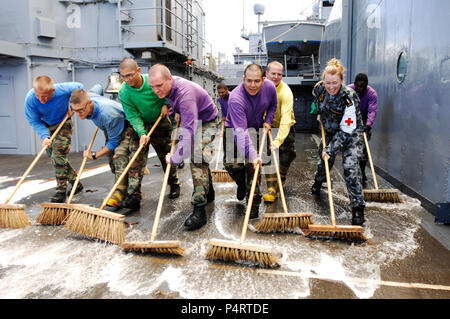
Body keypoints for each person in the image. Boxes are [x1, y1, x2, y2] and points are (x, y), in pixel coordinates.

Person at [148, 64, 219, 231]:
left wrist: (174, 159)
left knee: (196, 155)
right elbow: (175, 103)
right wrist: (174, 110)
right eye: (153, 87)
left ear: (170, 79)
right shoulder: (168, 89)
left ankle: (199, 210)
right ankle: (209, 192)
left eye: (159, 86)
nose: (156, 91)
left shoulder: (185, 95)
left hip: (208, 121)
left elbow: (188, 134)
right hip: (192, 116)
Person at [118, 58, 180, 212]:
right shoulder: (124, 91)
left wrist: (167, 106)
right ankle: (134, 196)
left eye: (130, 75)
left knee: (166, 155)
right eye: (123, 76)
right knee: (136, 157)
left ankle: (174, 184)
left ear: (138, 71)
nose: (127, 80)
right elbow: (132, 115)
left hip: (161, 121)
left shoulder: (152, 82)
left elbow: (169, 93)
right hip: (143, 123)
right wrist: (142, 133)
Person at [311, 58, 366, 226]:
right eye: (328, 83)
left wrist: (331, 148)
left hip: (350, 134)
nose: (331, 86)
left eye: (335, 83)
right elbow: (318, 102)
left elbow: (347, 129)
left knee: (351, 168)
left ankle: (357, 208)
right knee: (324, 163)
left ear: (341, 81)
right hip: (329, 129)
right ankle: (318, 182)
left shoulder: (349, 97)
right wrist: (320, 113)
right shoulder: (318, 89)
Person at [69, 88, 141, 212]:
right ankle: (124, 184)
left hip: (127, 125)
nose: (79, 114)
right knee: (112, 163)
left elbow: (113, 142)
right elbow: (98, 87)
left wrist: (94, 154)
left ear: (90, 103)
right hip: (110, 128)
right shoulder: (89, 96)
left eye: (81, 110)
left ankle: (119, 194)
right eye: (75, 111)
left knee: (119, 156)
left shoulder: (108, 115)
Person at [224, 64, 278, 219]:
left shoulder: (269, 88)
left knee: (253, 168)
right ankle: (242, 184)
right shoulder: (236, 99)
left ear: (263, 79)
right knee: (231, 165)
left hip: (256, 128)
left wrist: (268, 119)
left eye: (256, 81)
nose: (252, 85)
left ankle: (253, 203)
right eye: (249, 81)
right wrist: (254, 154)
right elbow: (241, 133)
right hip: (235, 128)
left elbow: (273, 105)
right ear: (243, 79)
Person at [24, 76, 84, 203]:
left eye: (45, 96)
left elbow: (80, 87)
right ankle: (76, 182)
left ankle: (61, 191)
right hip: (46, 125)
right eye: (38, 95)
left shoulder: (62, 89)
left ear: (52, 91)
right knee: (55, 157)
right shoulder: (30, 99)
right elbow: (34, 121)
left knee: (58, 156)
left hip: (63, 122)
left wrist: (73, 106)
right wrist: (44, 136)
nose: (41, 99)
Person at [262, 61, 297, 202]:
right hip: (266, 126)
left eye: (279, 74)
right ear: (266, 74)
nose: (276, 77)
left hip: (285, 126)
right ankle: (271, 188)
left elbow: (286, 120)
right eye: (273, 73)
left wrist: (278, 140)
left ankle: (281, 177)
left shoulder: (285, 92)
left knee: (286, 156)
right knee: (267, 157)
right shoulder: (259, 87)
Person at [348, 73, 378, 186]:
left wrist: (368, 124)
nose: (360, 89)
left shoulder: (372, 94)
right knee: (351, 147)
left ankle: (362, 171)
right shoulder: (348, 90)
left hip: (364, 120)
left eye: (363, 87)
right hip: (350, 118)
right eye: (358, 86)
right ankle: (352, 172)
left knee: (363, 148)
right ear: (354, 84)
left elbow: (372, 110)